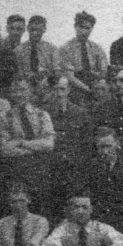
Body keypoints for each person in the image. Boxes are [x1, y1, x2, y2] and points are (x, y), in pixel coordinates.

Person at [0, 78, 55, 217]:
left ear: (30, 91)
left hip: (41, 170)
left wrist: (21, 143)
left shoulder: (42, 115)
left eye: (23, 90)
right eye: (15, 91)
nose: (19, 94)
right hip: (18, 171)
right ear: (10, 94)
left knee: (42, 211)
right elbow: (5, 149)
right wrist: (36, 145)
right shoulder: (5, 117)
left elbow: (49, 144)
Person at [42, 76, 94, 220]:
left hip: (74, 172)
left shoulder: (80, 113)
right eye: (56, 89)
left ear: (69, 90)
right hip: (51, 171)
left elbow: (87, 145)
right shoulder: (43, 113)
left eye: (62, 89)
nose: (59, 93)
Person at [84, 127, 123, 235]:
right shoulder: (90, 170)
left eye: (108, 146)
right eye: (101, 147)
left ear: (117, 144)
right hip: (98, 227)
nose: (105, 151)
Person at [59, 11, 108, 106]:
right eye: (81, 27)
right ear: (75, 27)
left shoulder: (97, 49)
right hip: (76, 91)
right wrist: (88, 89)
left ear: (92, 29)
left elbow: (103, 71)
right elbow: (70, 77)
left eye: (87, 28)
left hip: (95, 88)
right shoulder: (66, 49)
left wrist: (97, 88)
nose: (84, 31)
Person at [14, 15, 60, 86]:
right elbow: (17, 74)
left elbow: (57, 72)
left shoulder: (52, 49)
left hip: (47, 86)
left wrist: (47, 76)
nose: (35, 33)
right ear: (28, 28)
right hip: (25, 88)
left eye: (39, 30)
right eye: (32, 30)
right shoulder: (18, 50)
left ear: (44, 29)